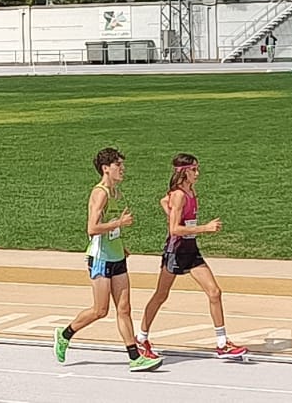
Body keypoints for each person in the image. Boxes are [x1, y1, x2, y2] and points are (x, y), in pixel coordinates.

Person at [53, 147, 163, 372]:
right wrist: (119, 224)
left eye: (122, 165)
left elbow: (111, 227)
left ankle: (135, 357)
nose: (122, 169)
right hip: (101, 258)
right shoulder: (100, 192)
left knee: (124, 308)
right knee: (100, 310)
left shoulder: (117, 192)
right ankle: (64, 335)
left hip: (116, 257)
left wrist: (122, 246)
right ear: (106, 168)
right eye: (118, 166)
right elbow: (92, 228)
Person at [135, 153, 248, 360]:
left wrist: (171, 212)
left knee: (214, 292)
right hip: (176, 251)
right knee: (161, 295)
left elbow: (163, 200)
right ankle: (141, 338)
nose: (198, 173)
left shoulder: (189, 191)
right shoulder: (179, 195)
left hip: (191, 249)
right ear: (184, 172)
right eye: (194, 169)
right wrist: (205, 227)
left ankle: (222, 343)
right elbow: (175, 230)